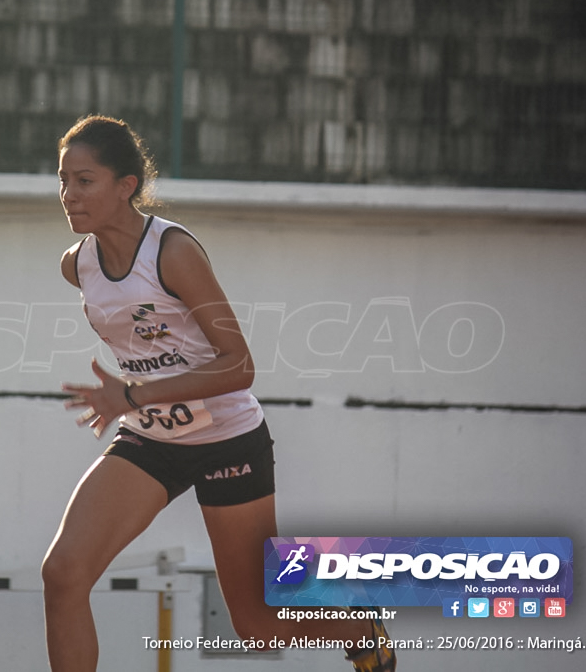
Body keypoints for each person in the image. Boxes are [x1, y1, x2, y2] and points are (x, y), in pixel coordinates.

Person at [41, 114, 396, 672]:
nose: (68, 194)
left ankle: (358, 624)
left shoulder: (172, 252)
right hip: (152, 438)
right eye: (62, 179)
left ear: (125, 186)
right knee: (62, 575)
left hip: (228, 439)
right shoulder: (76, 266)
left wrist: (132, 394)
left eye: (84, 180)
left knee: (256, 628)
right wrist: (137, 402)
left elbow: (240, 366)